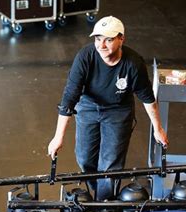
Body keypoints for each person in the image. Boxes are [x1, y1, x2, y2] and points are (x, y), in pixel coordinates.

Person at [47, 16, 168, 200]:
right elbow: (69, 97)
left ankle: (104, 204)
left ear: (121, 39)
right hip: (87, 107)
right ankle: (98, 193)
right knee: (84, 158)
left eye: (108, 40)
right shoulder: (85, 57)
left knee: (110, 164)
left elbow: (147, 98)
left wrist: (158, 129)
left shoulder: (133, 63)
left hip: (118, 111)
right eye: (97, 39)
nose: (101, 45)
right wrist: (58, 137)